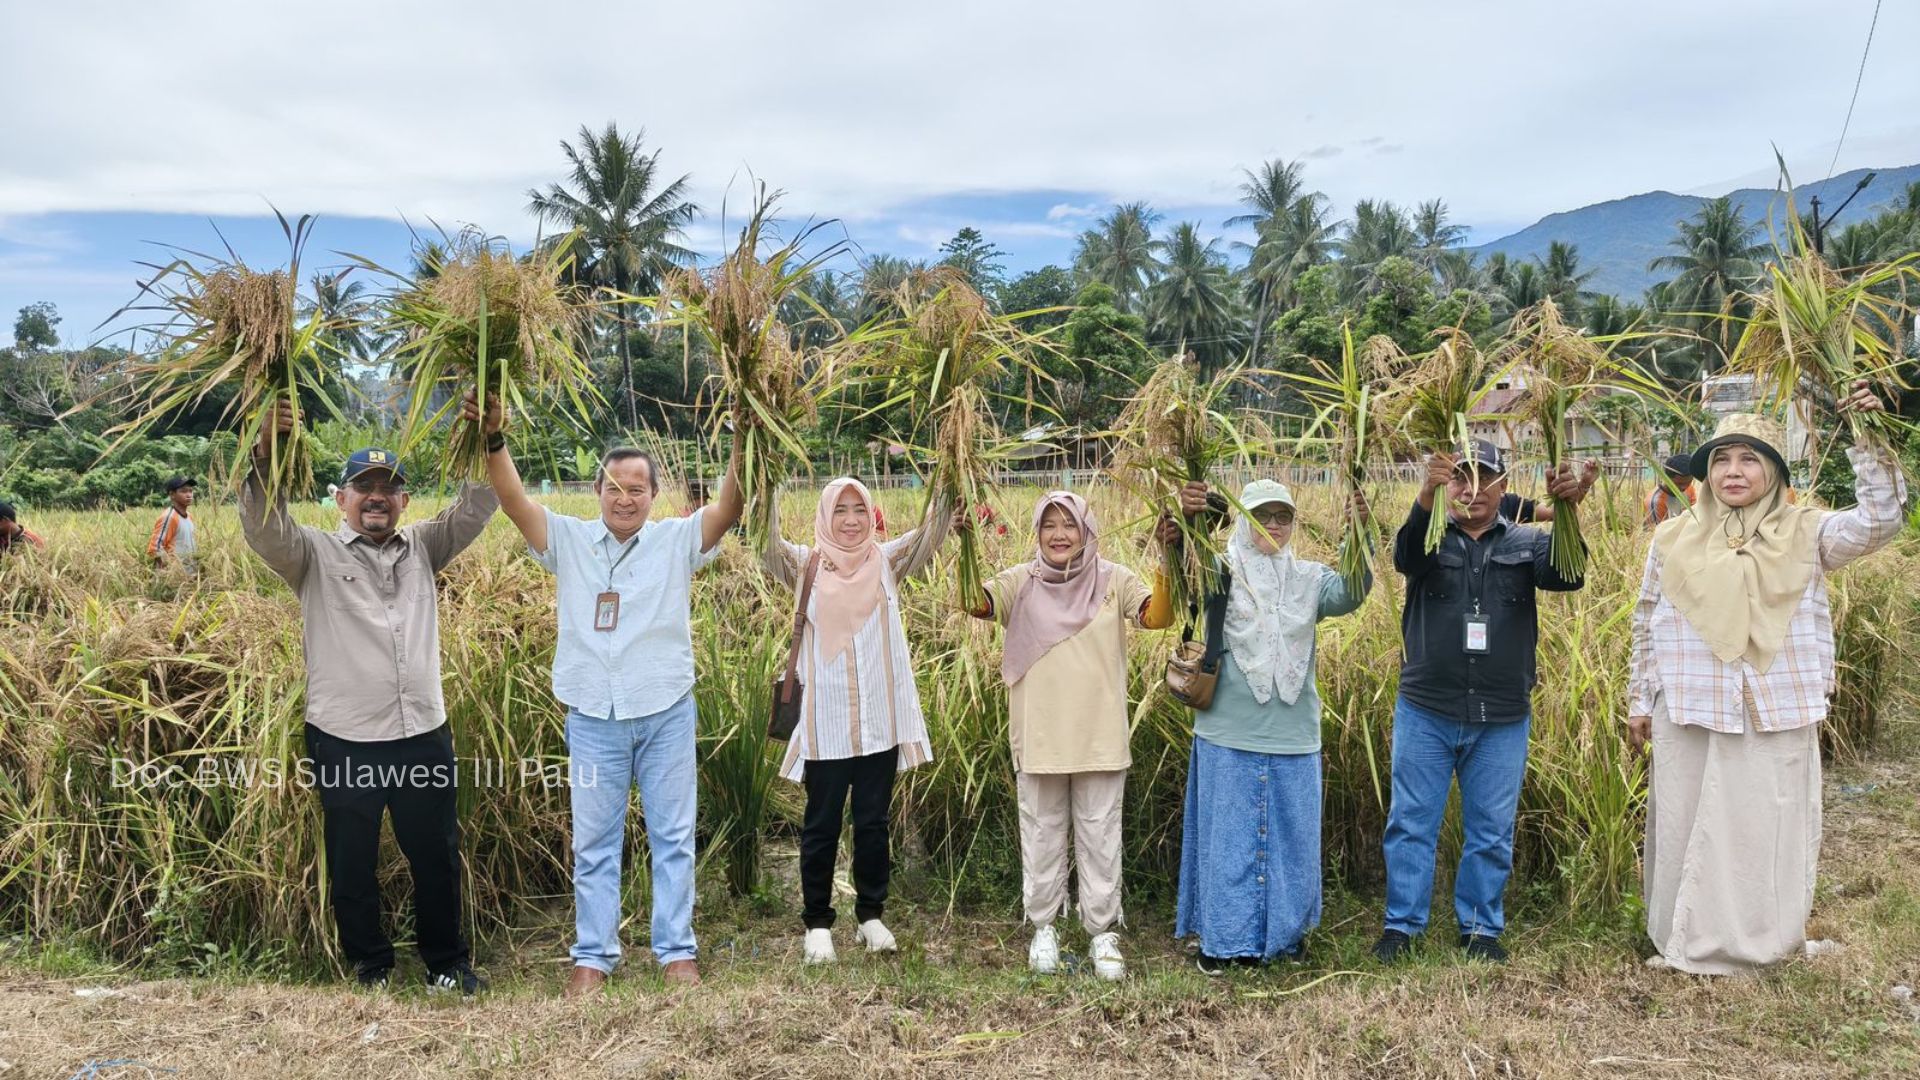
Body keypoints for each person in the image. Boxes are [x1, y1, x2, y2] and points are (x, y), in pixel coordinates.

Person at [464, 394, 743, 995]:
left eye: (637, 489)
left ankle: (676, 952)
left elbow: (728, 507)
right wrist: (493, 438)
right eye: (614, 488)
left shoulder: (676, 541)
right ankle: (592, 955)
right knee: (594, 841)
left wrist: (744, 435)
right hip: (593, 716)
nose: (624, 498)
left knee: (673, 837)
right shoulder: (568, 540)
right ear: (597, 491)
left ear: (654, 494)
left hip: (666, 710)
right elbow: (514, 502)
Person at [1627, 387, 1904, 974]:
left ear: (1774, 472)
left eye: (1750, 459)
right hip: (1690, 703)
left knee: (1765, 824)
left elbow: (1880, 521)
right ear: (1706, 473)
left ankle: (1763, 942)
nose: (1733, 471)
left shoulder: (1809, 531)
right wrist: (1639, 700)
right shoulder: (1671, 537)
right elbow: (1648, 619)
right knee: (1685, 819)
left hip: (1774, 705)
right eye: (1721, 460)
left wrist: (1868, 437)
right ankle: (1684, 939)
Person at [239, 400, 500, 995]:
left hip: (422, 734)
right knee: (352, 859)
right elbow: (263, 526)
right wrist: (266, 453)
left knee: (435, 854)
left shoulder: (426, 545)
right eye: (364, 486)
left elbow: (477, 505)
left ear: (405, 500)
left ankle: (446, 964)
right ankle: (371, 966)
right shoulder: (311, 554)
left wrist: (484, 438)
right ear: (341, 498)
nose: (377, 496)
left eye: (388, 487)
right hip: (345, 737)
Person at [1373, 438, 1594, 965]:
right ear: (1445, 483)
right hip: (1427, 708)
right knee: (1411, 823)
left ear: (1503, 485)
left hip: (1501, 714)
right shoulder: (1428, 536)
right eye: (1459, 477)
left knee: (1491, 829)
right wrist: (1425, 492)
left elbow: (1568, 576)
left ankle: (1479, 928)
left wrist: (1567, 509)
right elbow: (1405, 556)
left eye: (1483, 477)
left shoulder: (1528, 541)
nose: (1471, 489)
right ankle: (1402, 926)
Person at [964, 491, 1174, 980]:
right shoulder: (1021, 582)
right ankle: (1043, 927)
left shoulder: (1114, 579)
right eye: (1049, 525)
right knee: (1041, 832)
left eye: (1070, 525)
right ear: (1037, 532)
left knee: (1101, 835)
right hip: (1040, 737)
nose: (1059, 535)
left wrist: (1167, 556)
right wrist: (965, 542)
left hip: (1099, 736)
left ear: (1087, 530)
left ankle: (1102, 931)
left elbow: (1157, 617)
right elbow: (976, 603)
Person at [1169, 479, 1372, 974]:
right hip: (1227, 734)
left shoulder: (1309, 579)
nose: (1274, 526)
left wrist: (1360, 531)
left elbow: (1352, 591)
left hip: (1294, 737)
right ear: (1243, 521)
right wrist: (1187, 522)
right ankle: (1223, 942)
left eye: (1283, 517)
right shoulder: (1222, 570)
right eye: (1261, 516)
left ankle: (1284, 939)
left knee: (1291, 843)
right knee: (1229, 844)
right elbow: (1186, 575)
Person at [760, 479, 955, 965]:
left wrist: (953, 474)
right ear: (826, 516)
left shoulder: (886, 561)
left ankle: (871, 915)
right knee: (821, 825)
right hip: (825, 722)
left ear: (871, 515)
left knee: (873, 822)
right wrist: (764, 483)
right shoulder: (804, 564)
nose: (851, 520)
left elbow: (930, 534)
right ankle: (817, 924)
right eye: (840, 510)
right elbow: (765, 542)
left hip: (879, 721)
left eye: (859, 510)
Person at [148, 476, 198, 574]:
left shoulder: (189, 517)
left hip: (190, 576)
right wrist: (171, 571)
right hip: (175, 577)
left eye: (190, 491)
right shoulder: (169, 517)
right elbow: (155, 549)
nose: (189, 495)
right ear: (172, 495)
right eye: (183, 491)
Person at [1643, 453, 1696, 526]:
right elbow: (1660, 531)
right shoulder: (1656, 502)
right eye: (1678, 483)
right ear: (1666, 478)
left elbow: (1693, 516)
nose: (1684, 487)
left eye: (1689, 482)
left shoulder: (1689, 489)